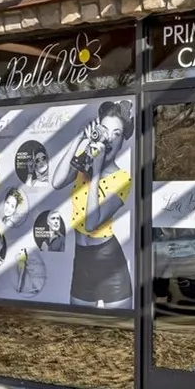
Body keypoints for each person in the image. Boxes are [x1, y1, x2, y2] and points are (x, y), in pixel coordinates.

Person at [67, 101, 133, 307]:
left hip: (109, 263)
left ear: (123, 141)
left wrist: (95, 173)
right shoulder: (84, 162)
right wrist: (79, 139)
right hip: (82, 260)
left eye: (117, 134)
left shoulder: (122, 179)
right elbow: (56, 181)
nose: (110, 139)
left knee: (119, 332)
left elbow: (90, 224)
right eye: (105, 130)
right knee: (78, 331)